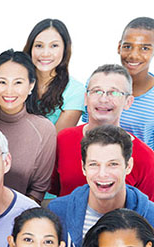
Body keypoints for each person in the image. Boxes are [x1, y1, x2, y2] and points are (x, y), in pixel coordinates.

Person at [48, 125, 154, 247]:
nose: (103, 174)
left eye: (113, 164)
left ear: (128, 166)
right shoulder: (58, 212)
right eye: (94, 164)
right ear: (83, 168)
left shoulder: (150, 217)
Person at [0, 49, 56, 203]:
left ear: (31, 85)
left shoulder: (44, 129)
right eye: (2, 82)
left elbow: (38, 190)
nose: (9, 90)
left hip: (21, 215)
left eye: (18, 82)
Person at [51, 64, 154, 200]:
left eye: (114, 92)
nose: (103, 99)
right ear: (86, 98)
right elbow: (56, 190)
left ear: (128, 102)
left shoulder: (146, 157)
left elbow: (146, 214)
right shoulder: (63, 140)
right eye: (97, 91)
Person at [23, 19, 83, 132]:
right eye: (39, 46)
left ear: (65, 49)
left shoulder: (75, 91)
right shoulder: (17, 81)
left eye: (54, 46)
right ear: (30, 48)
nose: (45, 53)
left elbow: (56, 140)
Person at [118, 17, 154, 150]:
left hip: (145, 167)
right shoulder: (98, 84)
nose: (133, 55)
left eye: (144, 48)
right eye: (127, 46)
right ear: (119, 47)